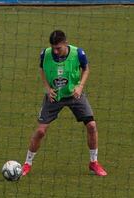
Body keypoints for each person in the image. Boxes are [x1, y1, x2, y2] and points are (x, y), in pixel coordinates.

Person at [22, 30, 107, 177]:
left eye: (58, 48)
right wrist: (47, 88)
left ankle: (94, 162)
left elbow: (86, 69)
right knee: (41, 131)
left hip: (74, 95)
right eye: (53, 48)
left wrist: (80, 86)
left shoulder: (78, 53)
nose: (55, 51)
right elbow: (41, 69)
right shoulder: (45, 54)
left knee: (92, 126)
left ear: (66, 43)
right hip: (54, 97)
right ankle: (27, 164)